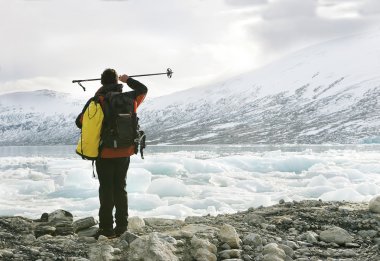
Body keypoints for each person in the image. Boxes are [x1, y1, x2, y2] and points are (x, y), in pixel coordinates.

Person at [76, 68, 148, 238]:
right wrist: (127, 80)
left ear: (102, 82)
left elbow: (80, 122)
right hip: (125, 151)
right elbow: (143, 90)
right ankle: (122, 227)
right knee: (120, 188)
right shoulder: (131, 98)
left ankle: (106, 229)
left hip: (105, 153)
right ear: (117, 82)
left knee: (106, 190)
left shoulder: (97, 100)